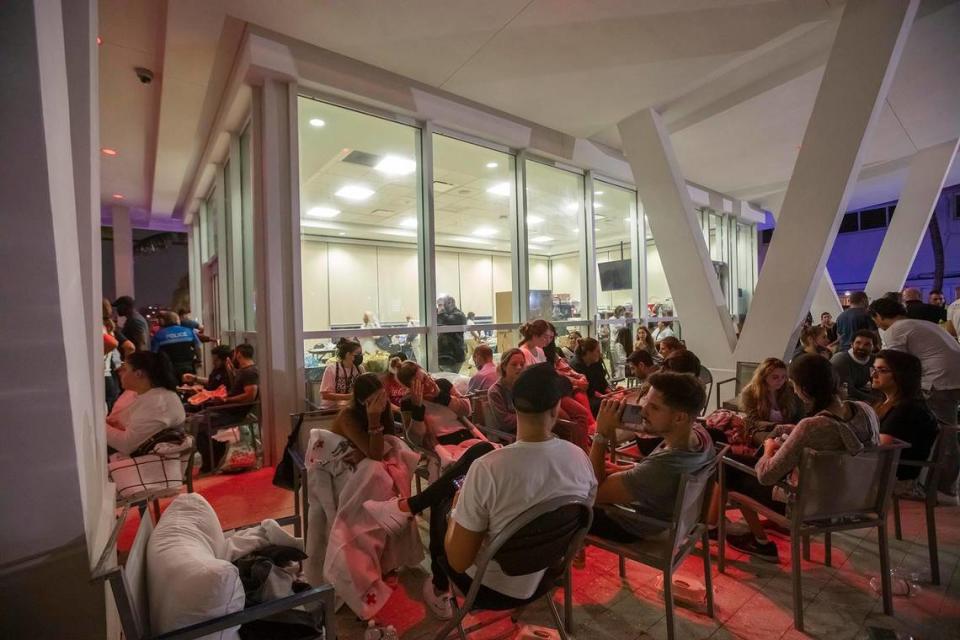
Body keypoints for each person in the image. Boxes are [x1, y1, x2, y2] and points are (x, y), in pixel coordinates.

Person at [363, 363, 596, 620]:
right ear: (556, 408)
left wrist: (457, 507)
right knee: (472, 469)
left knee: (444, 498)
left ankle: (438, 581)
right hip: (546, 575)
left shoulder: (489, 470)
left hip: (489, 586)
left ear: (514, 407)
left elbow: (459, 561)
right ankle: (408, 507)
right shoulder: (580, 459)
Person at [725, 354, 880, 561]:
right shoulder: (866, 410)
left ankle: (760, 542)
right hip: (856, 499)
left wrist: (770, 448)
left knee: (727, 466)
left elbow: (766, 476)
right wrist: (794, 431)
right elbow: (834, 436)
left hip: (809, 506)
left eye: (794, 385)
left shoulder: (811, 426)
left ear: (805, 391)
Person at [588, 372, 715, 542]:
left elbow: (594, 492)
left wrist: (601, 433)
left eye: (654, 407)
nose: (643, 411)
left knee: (563, 505)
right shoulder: (700, 435)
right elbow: (653, 470)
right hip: (669, 515)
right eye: (646, 402)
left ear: (679, 417)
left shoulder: (662, 468)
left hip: (633, 525)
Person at [868, 297, 960, 428]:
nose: (876, 324)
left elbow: (895, 363)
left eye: (874, 320)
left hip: (937, 382)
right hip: (953, 378)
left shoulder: (895, 329)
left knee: (941, 430)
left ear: (878, 315)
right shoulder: (926, 324)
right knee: (948, 425)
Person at [871, 350, 938, 484]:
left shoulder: (907, 409)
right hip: (881, 466)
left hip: (893, 474)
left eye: (882, 370)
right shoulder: (888, 403)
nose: (873, 374)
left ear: (901, 376)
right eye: (873, 369)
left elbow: (881, 446)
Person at [106, 351, 186, 455]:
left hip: (144, 465)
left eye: (125, 369)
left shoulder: (158, 404)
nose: (118, 371)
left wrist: (100, 425)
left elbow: (126, 445)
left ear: (139, 374)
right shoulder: (142, 394)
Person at [397, 362, 484, 446]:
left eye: (426, 377)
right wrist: (417, 408)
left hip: (465, 436)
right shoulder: (408, 402)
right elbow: (415, 440)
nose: (428, 383)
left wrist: (441, 396)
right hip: (441, 446)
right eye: (421, 384)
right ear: (410, 388)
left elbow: (467, 410)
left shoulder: (443, 384)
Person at [330, 373, 396, 462]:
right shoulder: (348, 416)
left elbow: (390, 439)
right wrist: (374, 419)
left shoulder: (385, 404)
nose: (380, 402)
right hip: (341, 463)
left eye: (382, 395)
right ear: (361, 401)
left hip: (369, 461)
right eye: (374, 400)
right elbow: (376, 456)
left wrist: (364, 454)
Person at [738, 357, 804, 445]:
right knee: (774, 443)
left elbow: (799, 415)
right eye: (775, 377)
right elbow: (753, 420)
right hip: (761, 431)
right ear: (764, 377)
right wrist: (775, 427)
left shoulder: (790, 390)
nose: (780, 381)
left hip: (786, 431)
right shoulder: (750, 393)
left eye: (784, 377)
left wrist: (793, 428)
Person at [831, 330, 881, 403]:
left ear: (873, 347)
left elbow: (878, 384)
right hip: (837, 397)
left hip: (856, 394)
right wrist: (875, 400)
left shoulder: (874, 360)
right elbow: (849, 391)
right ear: (851, 344)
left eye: (867, 344)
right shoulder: (841, 360)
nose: (861, 347)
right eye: (858, 343)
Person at [151, 310, 201, 379]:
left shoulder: (158, 335)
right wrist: (199, 360)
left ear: (164, 321)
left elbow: (154, 354)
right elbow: (197, 347)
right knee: (189, 386)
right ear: (177, 320)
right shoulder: (189, 331)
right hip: (188, 366)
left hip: (169, 369)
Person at [570, 337, 614, 416]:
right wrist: (603, 396)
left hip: (598, 395)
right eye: (597, 351)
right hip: (585, 398)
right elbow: (586, 390)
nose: (600, 353)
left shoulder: (596, 362)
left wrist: (610, 391)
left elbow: (602, 381)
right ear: (588, 352)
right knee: (607, 404)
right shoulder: (575, 365)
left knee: (618, 398)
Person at [486, 348, 526, 434]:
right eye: (514, 364)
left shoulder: (525, 386)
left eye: (522, 364)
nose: (519, 367)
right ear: (504, 367)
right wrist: (530, 416)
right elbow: (505, 423)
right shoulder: (495, 391)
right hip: (511, 437)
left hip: (529, 429)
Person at [319, 338, 365, 407]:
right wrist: (349, 397)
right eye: (357, 354)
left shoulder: (360, 369)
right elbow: (325, 395)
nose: (360, 356)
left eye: (361, 354)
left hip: (350, 408)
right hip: (332, 409)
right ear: (347, 354)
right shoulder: (331, 369)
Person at [437, 295, 467, 373]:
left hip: (454, 355)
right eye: (438, 305)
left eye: (441, 305)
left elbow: (449, 321)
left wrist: (440, 313)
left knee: (450, 380)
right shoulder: (444, 315)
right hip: (444, 354)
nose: (440, 308)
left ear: (450, 303)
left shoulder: (458, 315)